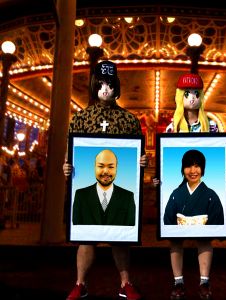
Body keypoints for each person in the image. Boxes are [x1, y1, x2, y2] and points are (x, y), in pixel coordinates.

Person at [63, 60, 148, 300]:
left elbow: (138, 155)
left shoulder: (129, 120)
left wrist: (143, 163)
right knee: (86, 239)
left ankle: (125, 283)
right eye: (100, 83)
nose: (105, 89)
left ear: (116, 87)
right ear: (94, 85)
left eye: (109, 84)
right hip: (87, 189)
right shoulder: (80, 118)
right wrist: (66, 165)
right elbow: (71, 152)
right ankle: (80, 284)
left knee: (120, 238)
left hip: (119, 189)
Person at [154, 72, 226, 300]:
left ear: (202, 96)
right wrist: (158, 178)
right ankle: (178, 282)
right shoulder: (172, 128)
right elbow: (164, 159)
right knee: (174, 239)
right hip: (178, 197)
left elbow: (221, 154)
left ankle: (204, 281)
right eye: (186, 93)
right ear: (180, 96)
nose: (191, 98)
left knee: (204, 239)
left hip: (203, 203)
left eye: (196, 93)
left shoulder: (213, 126)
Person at [73, 149, 136, 226]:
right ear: (94, 167)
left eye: (111, 167)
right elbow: (76, 227)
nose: (106, 171)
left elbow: (130, 227)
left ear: (116, 168)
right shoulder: (81, 195)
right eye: (101, 166)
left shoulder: (128, 197)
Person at [164, 149, 224, 226]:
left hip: (203, 237)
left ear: (203, 169)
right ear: (183, 168)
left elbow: (217, 224)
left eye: (197, 166)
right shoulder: (176, 194)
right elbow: (168, 222)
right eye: (188, 166)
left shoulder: (211, 196)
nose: (192, 171)